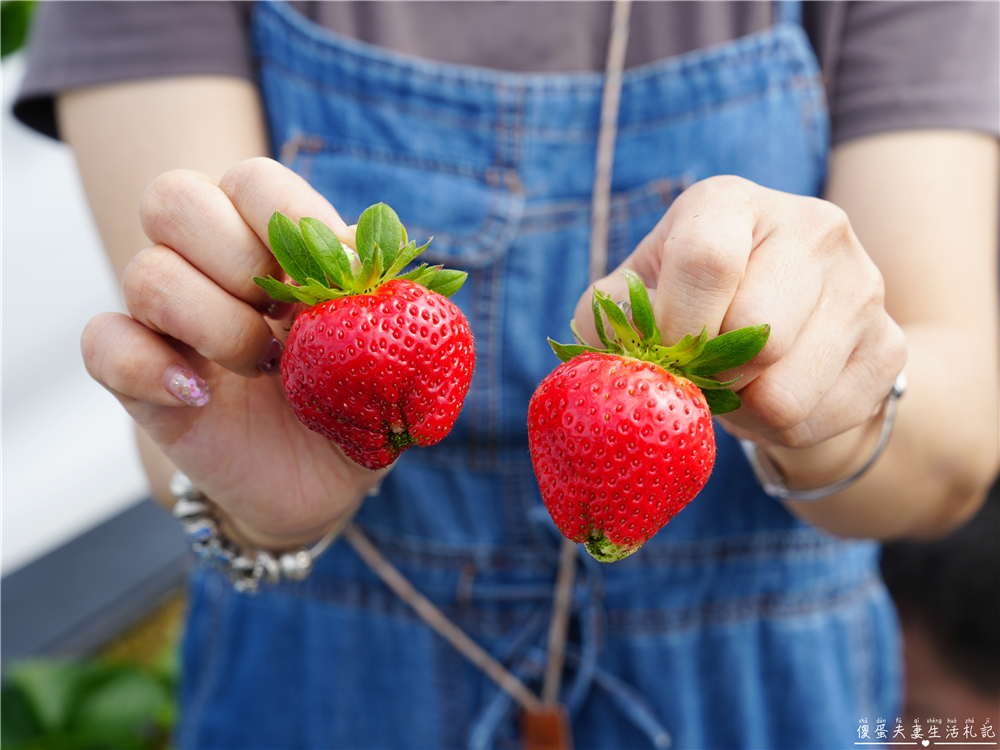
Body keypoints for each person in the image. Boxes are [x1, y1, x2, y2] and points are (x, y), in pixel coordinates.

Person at [15, 1, 999, 747]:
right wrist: (259, 499)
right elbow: (181, 428)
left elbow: (954, 452)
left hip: (757, 694)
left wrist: (832, 394)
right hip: (324, 682)